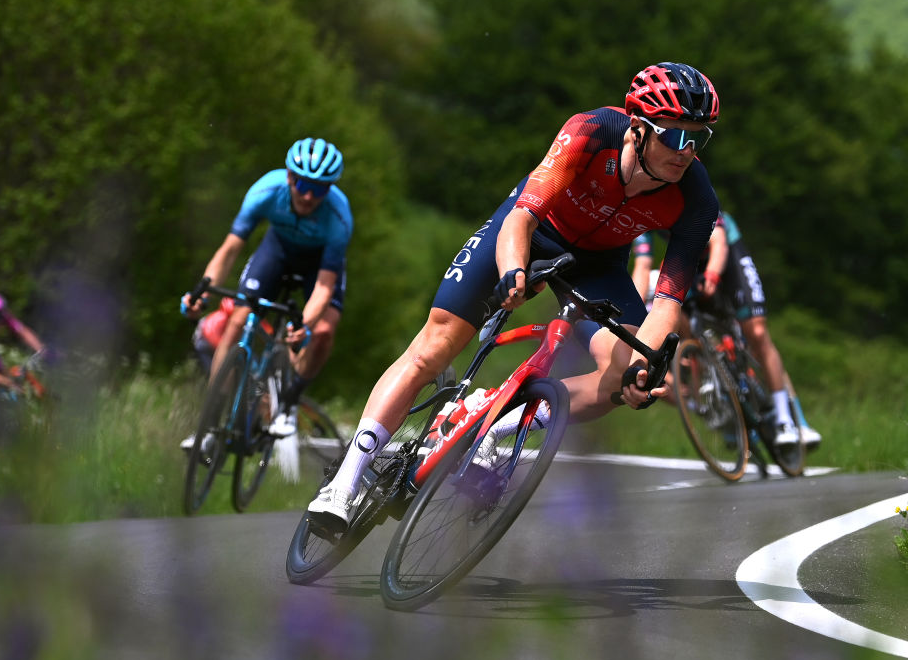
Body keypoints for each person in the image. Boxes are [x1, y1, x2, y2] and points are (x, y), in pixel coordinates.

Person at [307, 61, 722, 531]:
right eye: (674, 135)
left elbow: (667, 301)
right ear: (638, 129)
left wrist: (643, 368)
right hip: (531, 230)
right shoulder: (590, 130)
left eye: (698, 138)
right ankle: (343, 483)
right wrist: (514, 272)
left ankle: (491, 416)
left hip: (599, 265)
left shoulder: (698, 198)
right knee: (434, 346)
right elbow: (522, 218)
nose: (685, 151)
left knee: (618, 382)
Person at [181, 137, 352, 438]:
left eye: (320, 188)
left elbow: (325, 286)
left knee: (324, 331)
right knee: (237, 318)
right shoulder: (265, 191)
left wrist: (306, 325)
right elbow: (230, 249)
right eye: (302, 185)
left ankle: (288, 401)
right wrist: (203, 293)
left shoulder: (339, 216)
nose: (310, 196)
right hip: (278, 251)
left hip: (319, 264)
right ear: (289, 177)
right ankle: (211, 419)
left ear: (330, 189)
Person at [630, 211, 823, 448]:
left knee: (758, 334)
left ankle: (788, 420)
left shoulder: (685, 189)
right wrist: (633, 312)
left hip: (725, 253)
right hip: (688, 259)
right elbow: (642, 265)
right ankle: (725, 406)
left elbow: (719, 242)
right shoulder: (640, 207)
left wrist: (712, 274)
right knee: (683, 325)